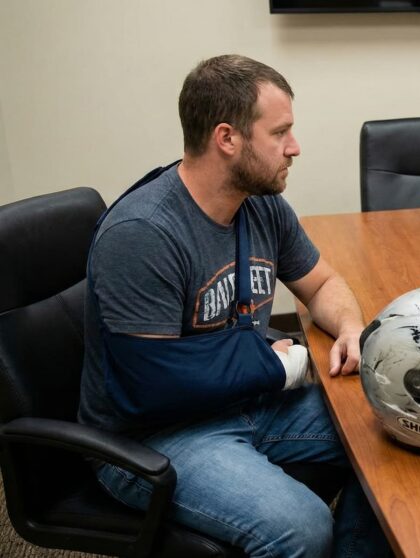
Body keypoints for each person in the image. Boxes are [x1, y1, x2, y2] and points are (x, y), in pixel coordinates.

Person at [79, 54, 391, 556]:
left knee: (393, 433)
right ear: (227, 138)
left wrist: (352, 327)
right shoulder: (143, 234)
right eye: (280, 133)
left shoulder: (261, 204)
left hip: (247, 405)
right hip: (151, 439)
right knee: (302, 527)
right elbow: (148, 385)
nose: (295, 147)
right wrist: (274, 366)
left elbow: (322, 284)